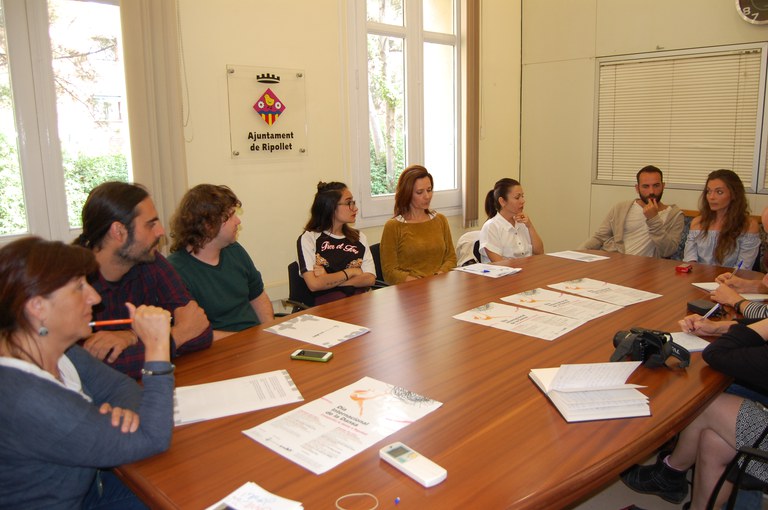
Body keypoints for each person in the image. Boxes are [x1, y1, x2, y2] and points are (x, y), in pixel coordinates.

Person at [0, 237, 174, 509]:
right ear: (37, 307)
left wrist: (118, 418)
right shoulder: (27, 398)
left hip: (92, 488)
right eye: (79, 287)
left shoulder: (61, 352)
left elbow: (121, 387)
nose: (95, 297)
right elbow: (153, 438)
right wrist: (157, 346)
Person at [74, 182, 212, 379]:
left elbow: (200, 329)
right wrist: (178, 335)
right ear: (118, 232)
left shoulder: (150, 261)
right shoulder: (71, 282)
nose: (161, 231)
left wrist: (132, 336)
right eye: (151, 224)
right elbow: (98, 368)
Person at [168, 184, 273, 339]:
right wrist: (245, 341)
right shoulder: (175, 271)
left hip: (254, 341)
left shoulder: (235, 250)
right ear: (208, 225)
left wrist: (271, 334)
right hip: (220, 348)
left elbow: (258, 296)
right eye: (231, 216)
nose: (238, 221)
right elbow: (191, 333)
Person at [297, 181, 376, 305]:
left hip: (361, 303)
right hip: (327, 307)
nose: (355, 208)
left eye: (353, 202)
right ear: (331, 207)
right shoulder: (309, 238)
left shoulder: (359, 237)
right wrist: (352, 272)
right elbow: (314, 284)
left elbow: (370, 279)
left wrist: (328, 279)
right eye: (348, 203)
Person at [579, 165, 684, 257]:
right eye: (646, 186)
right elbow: (599, 237)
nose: (651, 191)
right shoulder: (621, 208)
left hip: (645, 268)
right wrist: (577, 253)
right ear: (637, 188)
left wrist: (653, 219)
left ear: (663, 186)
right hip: (613, 260)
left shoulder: (674, 215)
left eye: (656, 186)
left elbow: (667, 251)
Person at [380, 165, 457, 284]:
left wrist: (438, 276)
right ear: (407, 194)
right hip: (410, 289)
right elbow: (389, 271)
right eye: (419, 192)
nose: (427, 196)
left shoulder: (440, 220)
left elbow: (451, 258)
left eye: (429, 190)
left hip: (439, 285)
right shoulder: (393, 226)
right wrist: (420, 284)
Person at [684, 169, 760, 268]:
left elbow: (743, 268)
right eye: (709, 191)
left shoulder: (748, 225)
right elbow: (689, 260)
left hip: (732, 277)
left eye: (719, 192)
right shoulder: (697, 222)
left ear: (734, 194)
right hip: (699, 276)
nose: (711, 197)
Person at [479, 178, 543, 262]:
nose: (523, 201)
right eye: (517, 197)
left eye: (522, 196)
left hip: (526, 268)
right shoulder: (491, 227)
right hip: (506, 270)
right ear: (502, 201)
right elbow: (498, 263)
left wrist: (530, 226)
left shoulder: (522, 222)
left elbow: (539, 252)